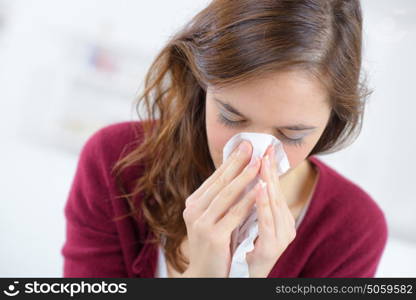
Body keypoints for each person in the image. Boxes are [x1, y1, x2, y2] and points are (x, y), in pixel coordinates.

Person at [61, 0, 388, 278]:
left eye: (292, 134)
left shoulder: (352, 230)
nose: (252, 153)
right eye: (231, 117)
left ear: (331, 124)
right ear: (200, 86)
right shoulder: (117, 161)